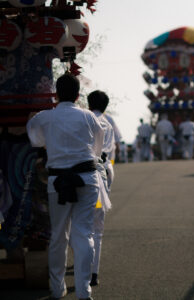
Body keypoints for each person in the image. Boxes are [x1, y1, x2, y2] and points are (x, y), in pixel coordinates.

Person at [26, 73, 104, 300]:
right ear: (79, 95)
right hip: (87, 179)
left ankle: (57, 288)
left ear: (56, 95)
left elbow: (36, 141)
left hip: (57, 180)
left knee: (59, 235)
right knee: (84, 233)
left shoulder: (44, 118)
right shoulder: (89, 116)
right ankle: (83, 291)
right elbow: (97, 150)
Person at [87, 90, 115, 286]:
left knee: (79, 226)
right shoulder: (108, 124)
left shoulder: (85, 119)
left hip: (83, 174)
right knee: (97, 229)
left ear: (89, 104)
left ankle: (82, 265)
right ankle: (93, 273)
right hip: (102, 176)